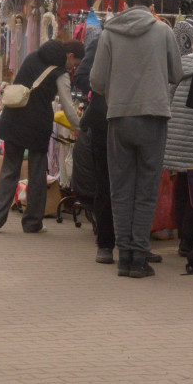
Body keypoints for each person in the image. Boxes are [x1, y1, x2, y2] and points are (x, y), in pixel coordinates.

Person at [90, 0, 182, 278]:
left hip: (119, 116)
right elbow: (176, 74)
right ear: (152, 6)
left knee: (120, 189)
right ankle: (139, 258)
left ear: (127, 4)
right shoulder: (163, 32)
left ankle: (123, 256)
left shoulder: (108, 33)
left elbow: (95, 81)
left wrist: (116, 92)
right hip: (153, 116)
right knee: (146, 189)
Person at [0, 40, 82, 234]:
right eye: (75, 63)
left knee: (9, 169)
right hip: (37, 125)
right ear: (69, 56)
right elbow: (68, 106)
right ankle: (32, 223)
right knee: (37, 174)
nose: (73, 67)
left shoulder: (33, 56)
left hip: (13, 118)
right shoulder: (60, 73)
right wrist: (80, 127)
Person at [72, 24, 116, 264]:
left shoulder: (155, 37)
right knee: (105, 183)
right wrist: (105, 92)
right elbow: (82, 77)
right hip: (104, 121)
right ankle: (106, 243)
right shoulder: (101, 41)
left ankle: (134, 244)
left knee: (135, 184)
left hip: (133, 120)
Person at [165, 25, 193, 257]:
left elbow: (168, 97)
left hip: (175, 135)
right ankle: (189, 241)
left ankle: (182, 235)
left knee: (182, 187)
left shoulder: (178, 67)